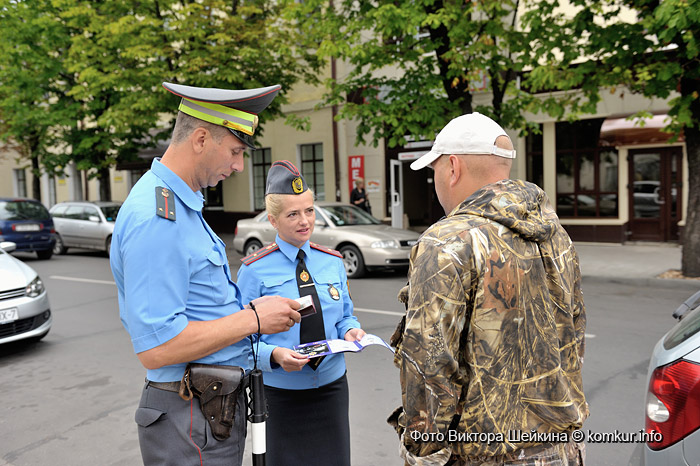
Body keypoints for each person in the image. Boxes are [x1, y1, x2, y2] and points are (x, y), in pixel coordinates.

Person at [110, 82, 303, 466]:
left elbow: (200, 309)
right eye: (234, 151)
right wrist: (253, 319)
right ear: (200, 138)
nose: (238, 165)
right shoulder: (158, 218)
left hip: (204, 411)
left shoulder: (181, 207)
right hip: (190, 416)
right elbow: (157, 347)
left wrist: (252, 313)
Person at [388, 113, 588, 465]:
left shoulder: (447, 242)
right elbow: (572, 336)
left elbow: (429, 365)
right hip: (561, 448)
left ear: (452, 167)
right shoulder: (553, 232)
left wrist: (422, 455)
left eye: (434, 171)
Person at [237, 160, 366, 466]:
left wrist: (352, 331)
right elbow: (238, 342)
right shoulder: (254, 270)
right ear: (272, 219)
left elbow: (345, 315)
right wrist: (273, 355)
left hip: (332, 388)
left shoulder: (332, 261)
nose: (304, 220)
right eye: (292, 214)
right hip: (280, 395)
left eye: (309, 210)